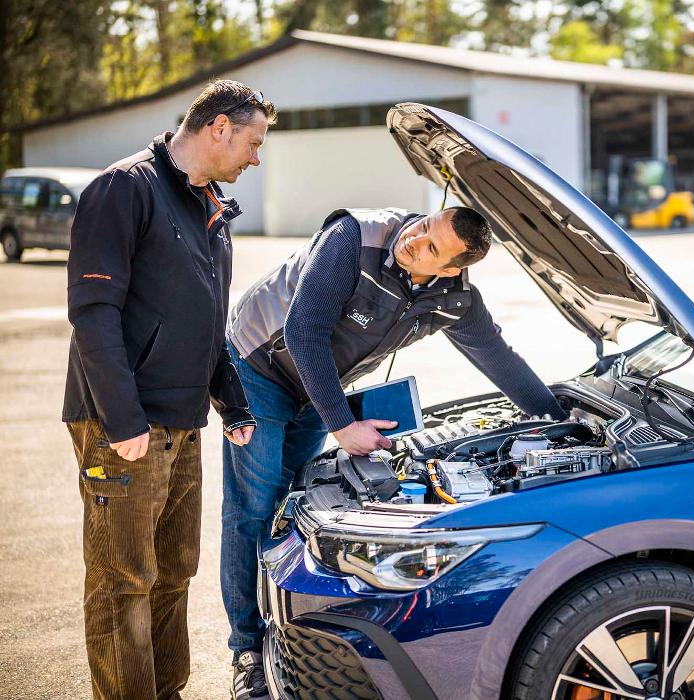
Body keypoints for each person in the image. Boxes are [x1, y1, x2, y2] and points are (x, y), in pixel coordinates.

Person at [222, 205, 566, 698]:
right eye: (423, 226)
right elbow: (303, 330)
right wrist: (342, 425)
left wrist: (558, 420)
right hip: (258, 364)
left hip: (320, 383)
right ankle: (248, 650)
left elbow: (498, 358)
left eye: (431, 246)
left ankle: (288, 632)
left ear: (451, 269)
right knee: (253, 511)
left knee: (293, 508)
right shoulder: (354, 239)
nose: (414, 240)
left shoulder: (455, 300)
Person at [62, 79, 276, 700]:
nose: (256, 158)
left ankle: (166, 690)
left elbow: (206, 316)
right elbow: (93, 311)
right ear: (219, 128)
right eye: (254, 142)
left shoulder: (209, 206)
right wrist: (122, 419)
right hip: (122, 424)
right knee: (122, 578)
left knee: (173, 573)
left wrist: (229, 398)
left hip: (181, 422)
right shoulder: (124, 189)